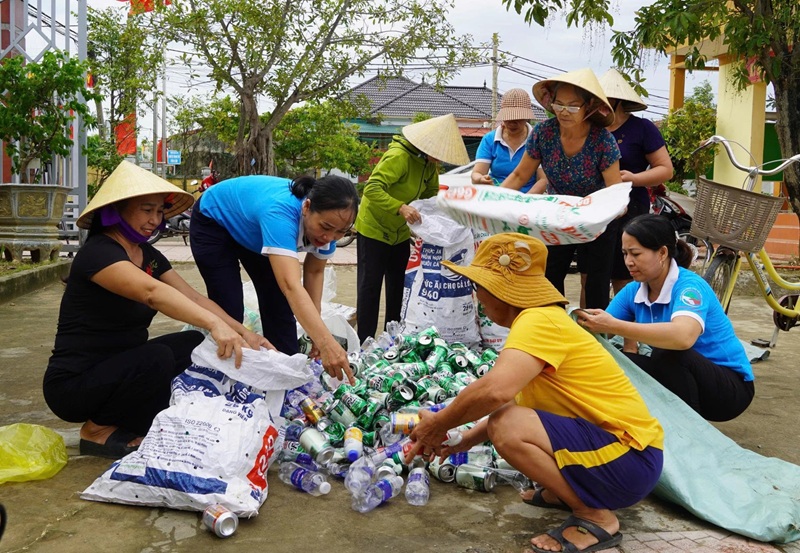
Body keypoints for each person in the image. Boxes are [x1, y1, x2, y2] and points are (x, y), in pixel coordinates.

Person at [406, 232, 663, 553]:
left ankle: (594, 515)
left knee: (508, 427)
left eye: (479, 287)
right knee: (509, 420)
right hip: (628, 459)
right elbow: (513, 400)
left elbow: (495, 392)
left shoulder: (537, 320)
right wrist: (461, 440)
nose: (478, 298)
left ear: (501, 291)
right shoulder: (539, 322)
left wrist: (438, 424)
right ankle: (569, 490)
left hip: (629, 462)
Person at [44, 161, 270, 459]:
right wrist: (215, 325)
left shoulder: (148, 255)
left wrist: (244, 334)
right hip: (75, 385)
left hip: (123, 370)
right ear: (116, 211)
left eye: (159, 211)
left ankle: (132, 422)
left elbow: (193, 298)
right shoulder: (98, 253)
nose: (154, 219)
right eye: (146, 210)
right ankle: (96, 431)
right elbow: (152, 293)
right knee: (158, 357)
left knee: (191, 342)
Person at [577, 214, 755, 422]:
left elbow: (682, 338)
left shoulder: (689, 287)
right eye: (625, 254)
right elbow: (593, 328)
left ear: (662, 253)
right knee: (612, 360)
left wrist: (615, 326)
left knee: (669, 353)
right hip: (685, 379)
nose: (628, 262)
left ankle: (688, 432)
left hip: (729, 391)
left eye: (635, 254)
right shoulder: (633, 290)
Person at [190, 174, 359, 383]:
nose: (329, 238)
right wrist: (325, 342)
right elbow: (291, 285)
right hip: (215, 219)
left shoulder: (330, 228)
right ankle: (227, 377)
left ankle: (285, 376)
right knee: (230, 307)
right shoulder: (280, 214)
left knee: (278, 305)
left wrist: (316, 332)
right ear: (306, 207)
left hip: (254, 230)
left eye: (340, 232)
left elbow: (314, 272)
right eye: (325, 227)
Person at [500, 68, 622, 309]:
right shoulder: (544, 133)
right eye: (559, 104)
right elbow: (519, 174)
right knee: (550, 276)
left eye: (574, 106)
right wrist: (493, 199)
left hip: (596, 218)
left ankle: (595, 336)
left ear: (589, 107)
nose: (565, 112)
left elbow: (614, 190)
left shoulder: (602, 140)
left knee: (596, 281)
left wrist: (612, 209)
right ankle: (553, 328)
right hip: (558, 216)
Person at [355, 113, 469, 342]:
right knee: (370, 287)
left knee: (398, 287)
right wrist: (400, 207)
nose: (439, 159)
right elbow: (372, 188)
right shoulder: (399, 156)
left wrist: (436, 220)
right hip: (374, 228)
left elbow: (430, 196)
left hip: (399, 233)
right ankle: (363, 341)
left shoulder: (428, 165)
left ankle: (391, 339)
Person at [587, 69, 674, 309]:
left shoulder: (642, 128)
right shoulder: (590, 129)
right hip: (593, 206)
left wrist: (634, 178)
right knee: (591, 273)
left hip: (630, 206)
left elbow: (665, 169)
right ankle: (590, 330)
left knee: (624, 271)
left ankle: (628, 336)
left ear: (617, 102)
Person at [471, 88, 546, 193]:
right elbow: (477, 172)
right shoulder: (490, 140)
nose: (512, 123)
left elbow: (542, 180)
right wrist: (480, 179)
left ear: (526, 118)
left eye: (518, 119)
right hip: (495, 197)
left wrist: (525, 201)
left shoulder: (537, 140)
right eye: (508, 118)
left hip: (528, 199)